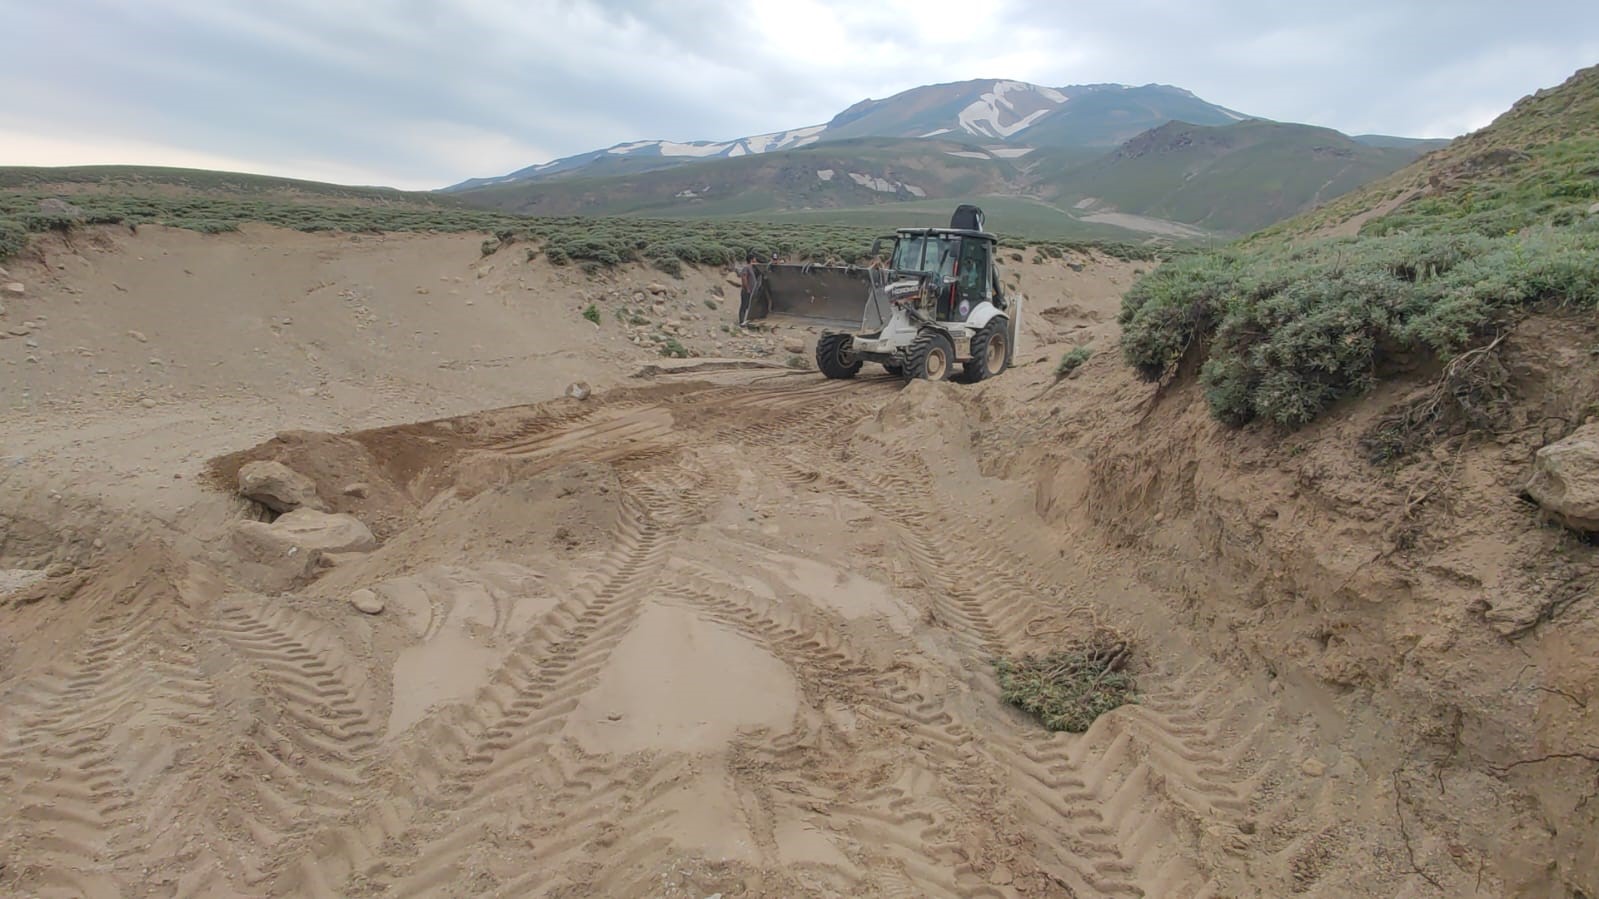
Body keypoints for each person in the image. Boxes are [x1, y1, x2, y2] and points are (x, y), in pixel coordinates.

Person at [736, 252, 759, 327]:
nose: (756, 260)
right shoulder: (746, 268)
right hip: (746, 291)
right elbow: (744, 278)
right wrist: (747, 288)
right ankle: (741, 322)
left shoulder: (753, 268)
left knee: (749, 306)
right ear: (752, 259)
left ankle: (747, 321)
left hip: (751, 291)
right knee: (744, 306)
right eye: (755, 258)